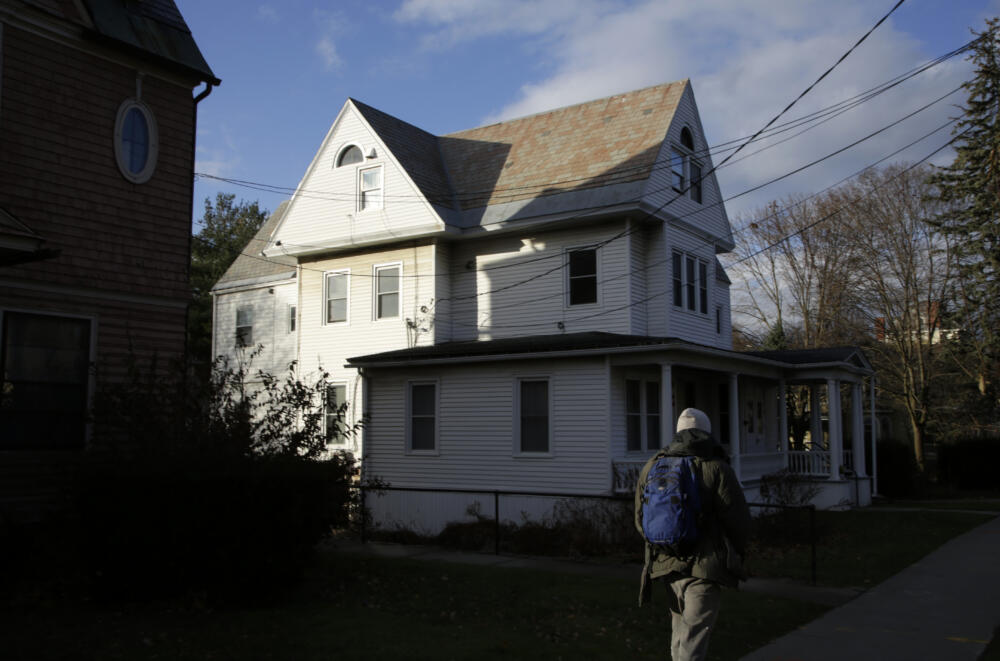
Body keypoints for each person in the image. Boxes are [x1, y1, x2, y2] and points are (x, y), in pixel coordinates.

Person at [634, 407, 752, 661]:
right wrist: (737, 553)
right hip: (704, 565)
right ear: (706, 432)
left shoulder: (652, 466)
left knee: (679, 633)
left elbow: (640, 520)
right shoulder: (716, 467)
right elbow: (737, 519)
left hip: (666, 563)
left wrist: (665, 541)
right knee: (693, 639)